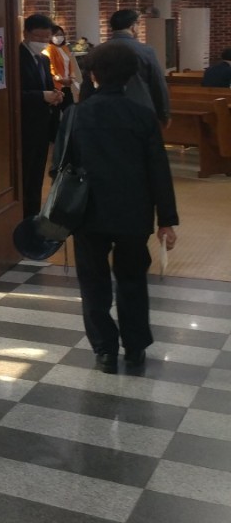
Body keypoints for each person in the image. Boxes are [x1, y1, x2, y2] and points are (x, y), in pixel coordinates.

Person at [67, 42, 178, 374]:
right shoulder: (143, 117)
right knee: (132, 279)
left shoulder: (76, 115)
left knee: (93, 282)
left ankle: (104, 349)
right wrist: (166, 219)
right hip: (134, 211)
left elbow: (61, 167)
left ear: (94, 75)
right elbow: (159, 170)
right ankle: (135, 346)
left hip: (87, 211)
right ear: (131, 77)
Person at [79, 9, 170, 124]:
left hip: (105, 112)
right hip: (139, 110)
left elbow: (87, 85)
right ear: (133, 26)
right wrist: (164, 114)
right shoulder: (146, 51)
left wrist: (83, 110)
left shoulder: (96, 52)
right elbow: (157, 83)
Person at [19, 13, 63, 218]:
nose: (43, 41)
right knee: (25, 174)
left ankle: (33, 214)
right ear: (26, 33)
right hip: (24, 125)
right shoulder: (16, 57)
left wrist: (55, 96)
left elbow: (47, 87)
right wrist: (41, 96)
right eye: (39, 37)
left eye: (47, 37)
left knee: (37, 174)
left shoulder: (44, 59)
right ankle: (22, 215)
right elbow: (10, 95)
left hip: (42, 125)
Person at [44, 23, 82, 108]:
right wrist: (61, 80)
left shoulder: (64, 48)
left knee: (69, 108)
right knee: (56, 110)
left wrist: (72, 77)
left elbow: (70, 64)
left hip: (67, 84)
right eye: (56, 35)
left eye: (61, 35)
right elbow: (51, 67)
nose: (59, 37)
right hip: (57, 85)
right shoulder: (49, 49)